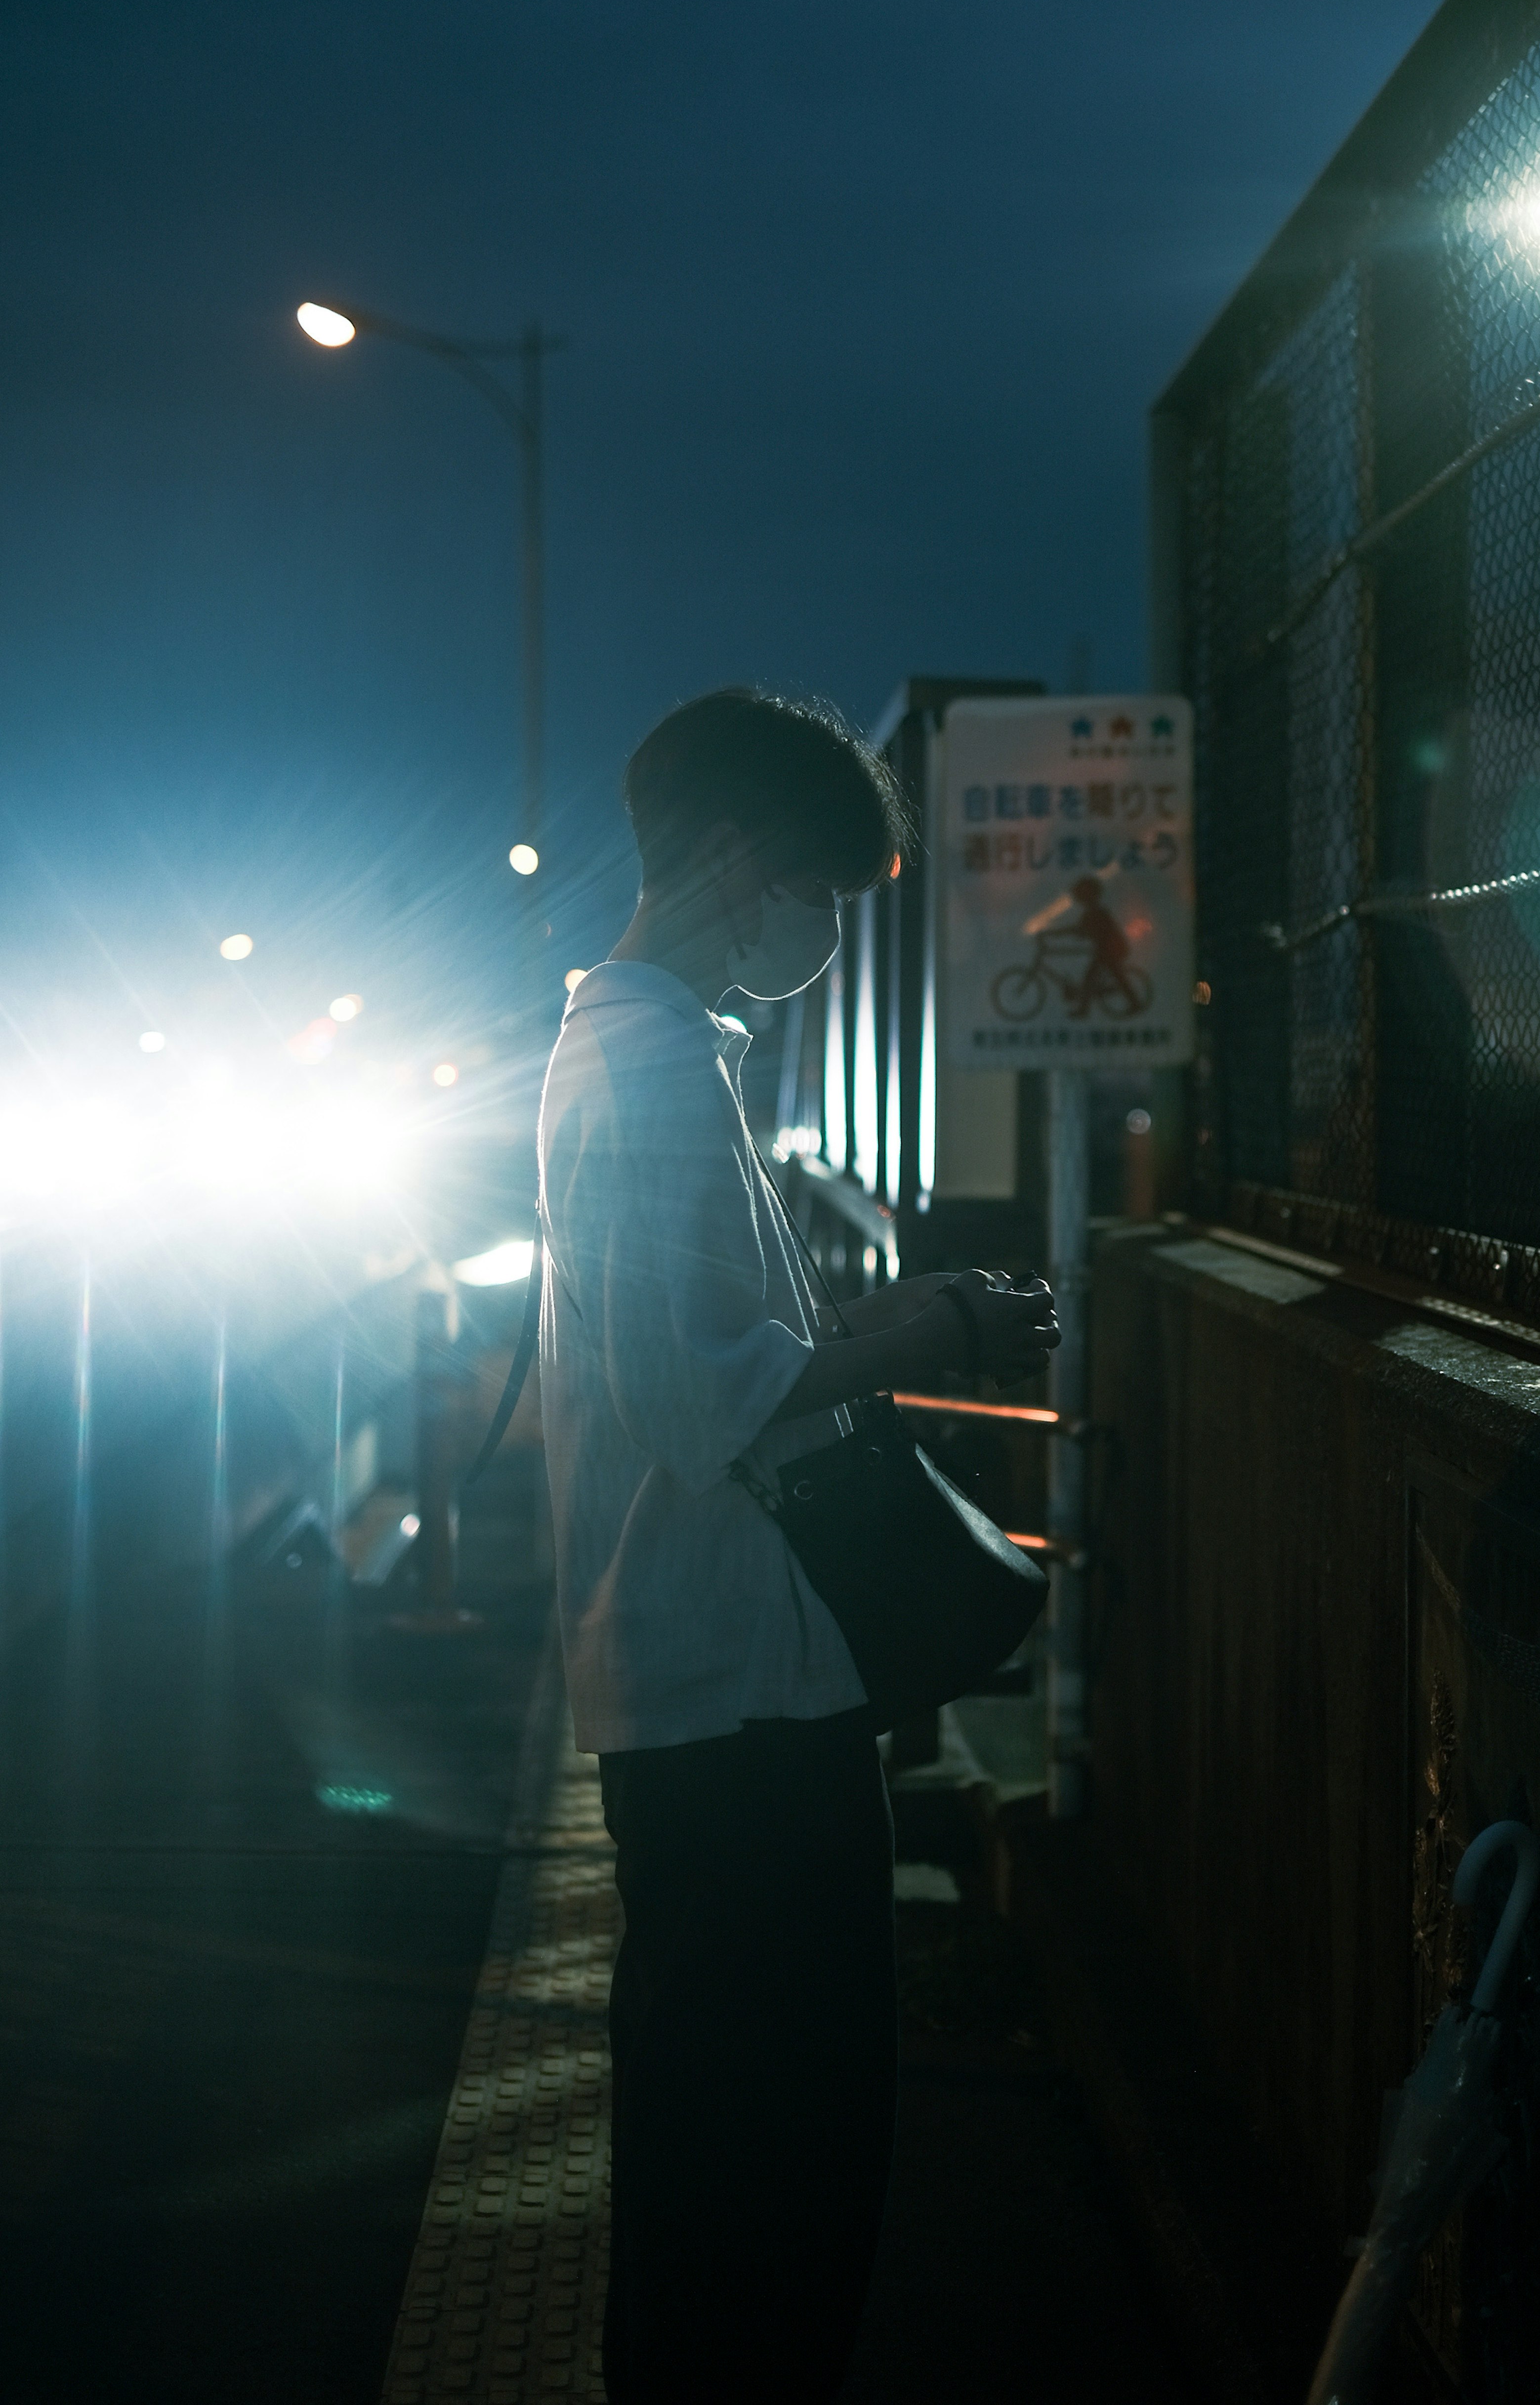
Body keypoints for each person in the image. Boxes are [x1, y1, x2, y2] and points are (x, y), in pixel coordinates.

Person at [537, 687, 1059, 2403]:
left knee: (722, 2150)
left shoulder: (631, 1051)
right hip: (736, 1698)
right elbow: (703, 1408)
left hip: (703, 1682)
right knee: (782, 2162)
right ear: (736, 859)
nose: (830, 935)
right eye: (824, 895)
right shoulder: (658, 1069)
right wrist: (930, 1327)